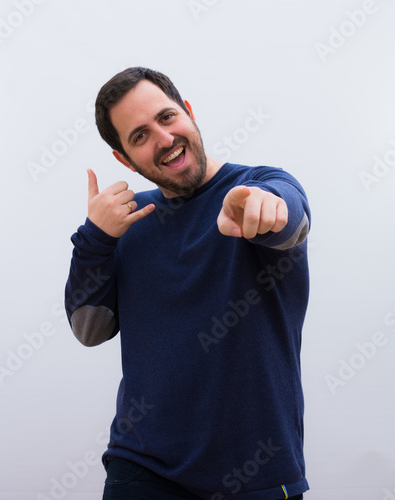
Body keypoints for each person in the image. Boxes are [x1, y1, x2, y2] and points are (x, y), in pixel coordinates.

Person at [65, 67, 310, 500]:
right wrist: (95, 238)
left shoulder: (258, 186)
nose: (162, 138)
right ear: (124, 158)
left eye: (166, 117)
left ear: (189, 113)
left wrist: (263, 209)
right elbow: (90, 330)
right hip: (141, 469)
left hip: (259, 471)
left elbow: (290, 221)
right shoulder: (126, 223)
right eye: (139, 136)